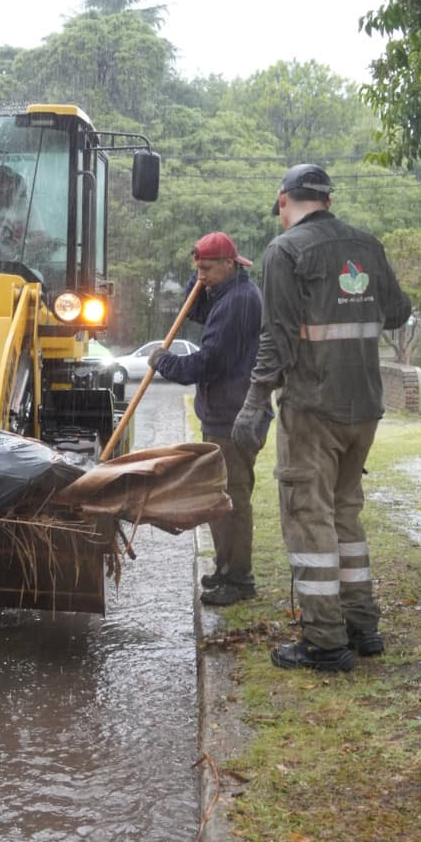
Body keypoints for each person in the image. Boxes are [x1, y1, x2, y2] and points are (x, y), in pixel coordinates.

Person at [232, 164, 412, 674]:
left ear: (284, 201)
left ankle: (325, 642)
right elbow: (397, 312)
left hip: (314, 408)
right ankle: (363, 626)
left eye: (280, 210)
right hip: (366, 408)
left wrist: (254, 402)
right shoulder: (368, 246)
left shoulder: (284, 251)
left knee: (310, 518)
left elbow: (277, 337)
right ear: (327, 202)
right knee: (345, 515)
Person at [149, 231, 269, 607]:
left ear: (230, 265)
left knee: (232, 499)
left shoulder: (240, 302)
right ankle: (225, 569)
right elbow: (195, 308)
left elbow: (208, 362)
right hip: (221, 414)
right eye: (196, 269)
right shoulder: (224, 293)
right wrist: (197, 276)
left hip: (236, 419)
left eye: (207, 269)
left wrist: (164, 360)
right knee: (220, 497)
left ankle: (239, 579)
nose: (201, 276)